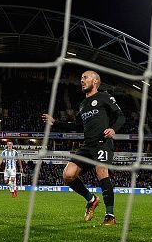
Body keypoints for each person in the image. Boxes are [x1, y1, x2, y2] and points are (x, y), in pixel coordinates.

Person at [42, 70, 125, 226]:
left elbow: (120, 116)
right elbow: (76, 126)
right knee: (68, 174)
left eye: (85, 77)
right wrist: (56, 123)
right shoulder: (82, 105)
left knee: (101, 172)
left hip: (102, 142)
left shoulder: (104, 96)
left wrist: (114, 129)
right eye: (81, 78)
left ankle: (110, 215)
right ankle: (91, 199)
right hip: (87, 146)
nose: (82, 80)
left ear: (95, 81)